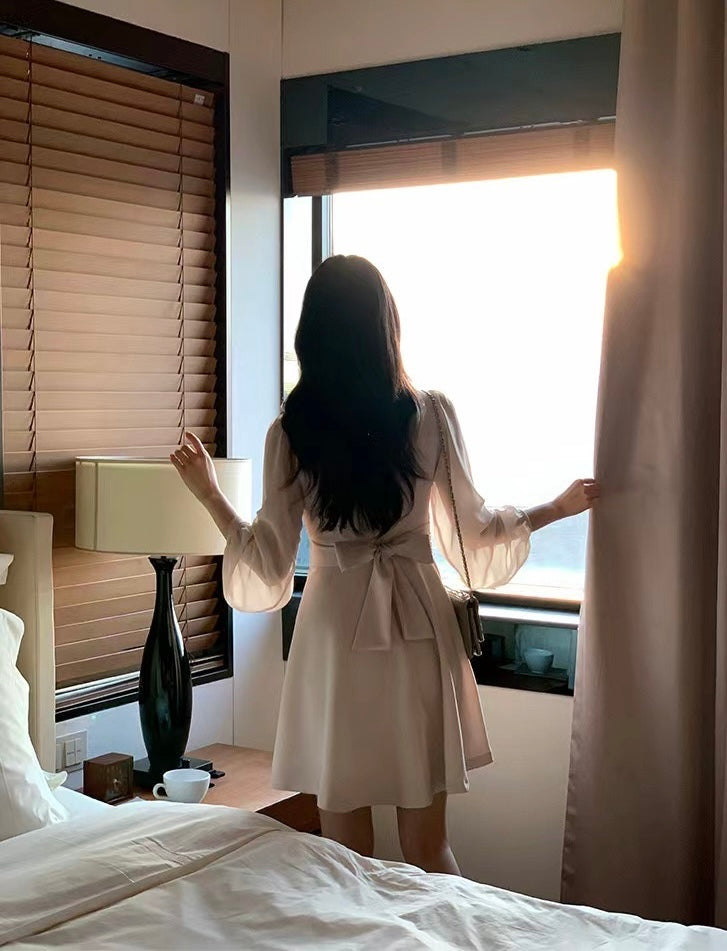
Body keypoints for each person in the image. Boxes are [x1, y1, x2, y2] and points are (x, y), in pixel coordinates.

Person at [171, 254, 599, 875]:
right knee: (429, 845)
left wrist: (211, 495)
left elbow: (266, 563)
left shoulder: (292, 431)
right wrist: (553, 509)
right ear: (386, 325)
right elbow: (474, 532)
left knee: (346, 855)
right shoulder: (429, 414)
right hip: (417, 624)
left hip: (333, 634)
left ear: (311, 333)